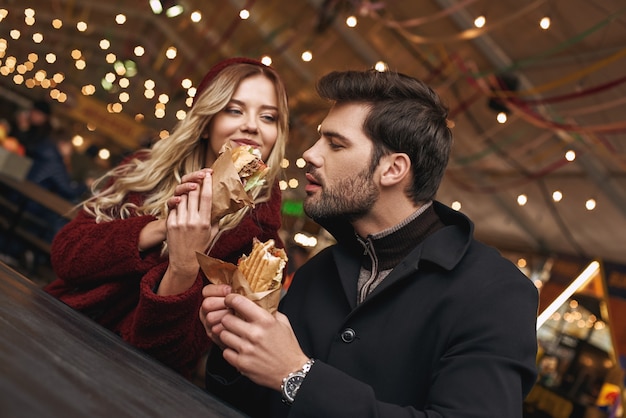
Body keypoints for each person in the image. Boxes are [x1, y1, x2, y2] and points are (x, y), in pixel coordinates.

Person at [199, 69, 539, 417]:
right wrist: (237, 347)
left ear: (393, 169)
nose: (310, 155)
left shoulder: (497, 293)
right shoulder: (318, 272)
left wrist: (298, 376)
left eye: (335, 144)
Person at [44, 57, 290, 379]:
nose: (252, 126)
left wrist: (184, 266)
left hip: (136, 383)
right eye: (234, 109)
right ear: (207, 120)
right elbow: (65, 256)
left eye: (268, 117)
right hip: (55, 330)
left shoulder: (261, 248)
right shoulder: (145, 171)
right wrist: (159, 229)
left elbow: (173, 354)